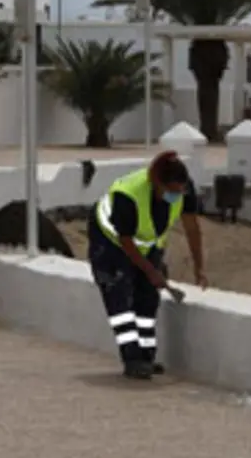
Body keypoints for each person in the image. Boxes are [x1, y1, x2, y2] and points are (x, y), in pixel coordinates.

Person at [89, 151, 208, 380]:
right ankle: (132, 360)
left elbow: (192, 228)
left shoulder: (183, 187)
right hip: (109, 243)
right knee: (120, 298)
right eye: (171, 191)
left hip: (146, 244)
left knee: (148, 298)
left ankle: (146, 358)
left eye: (180, 191)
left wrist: (199, 267)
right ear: (156, 183)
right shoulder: (128, 195)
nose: (176, 196)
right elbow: (125, 240)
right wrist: (151, 271)